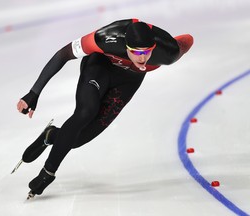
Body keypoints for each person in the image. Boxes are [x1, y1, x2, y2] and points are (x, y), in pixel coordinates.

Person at [17, 18, 193, 198]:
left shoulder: (168, 52)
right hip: (99, 66)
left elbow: (188, 39)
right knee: (86, 112)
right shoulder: (106, 37)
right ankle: (47, 173)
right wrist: (34, 93)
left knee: (78, 139)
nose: (143, 58)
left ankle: (51, 135)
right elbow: (63, 54)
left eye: (147, 52)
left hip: (128, 81)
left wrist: (171, 42)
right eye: (136, 52)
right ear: (126, 46)